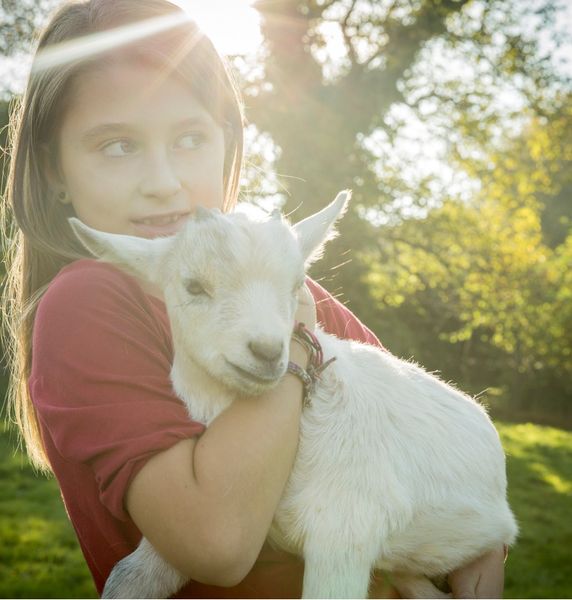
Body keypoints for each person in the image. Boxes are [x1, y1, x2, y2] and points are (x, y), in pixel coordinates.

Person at [2, 0, 507, 597]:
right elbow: (218, 543)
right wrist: (293, 335)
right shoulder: (88, 304)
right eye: (117, 146)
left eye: (190, 137)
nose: (163, 181)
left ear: (227, 140)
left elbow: (411, 443)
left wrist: (482, 540)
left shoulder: (294, 284)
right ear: (52, 166)